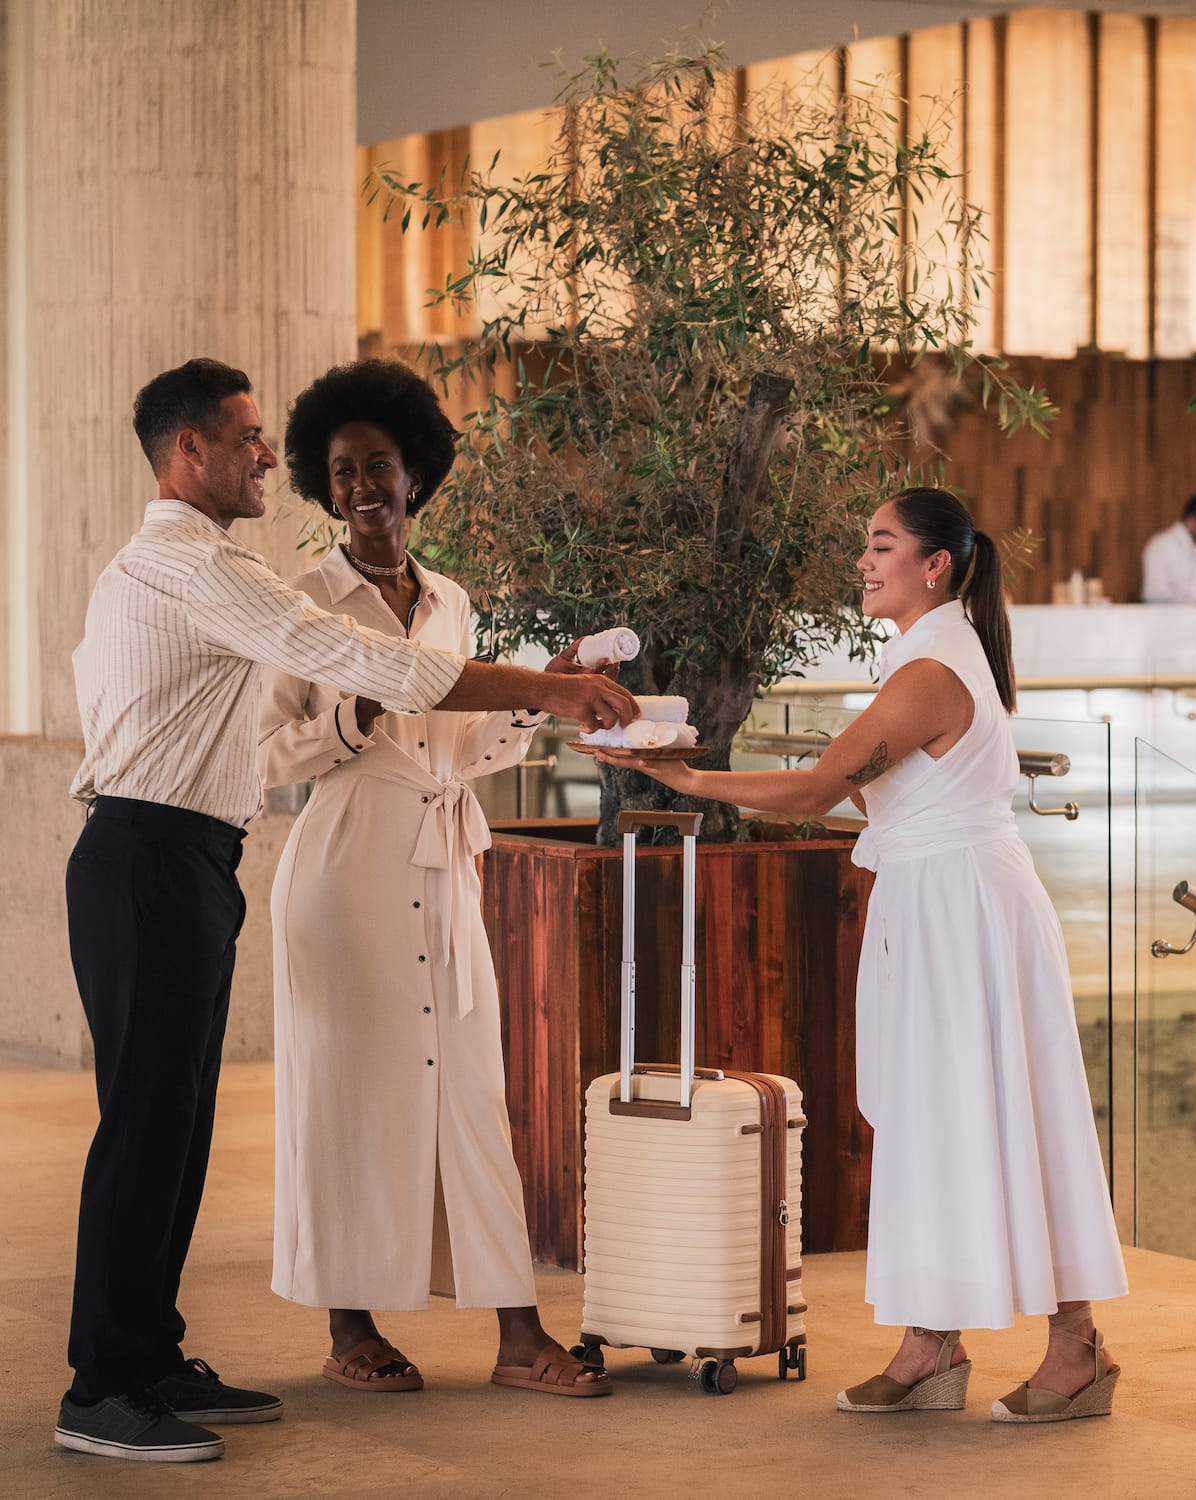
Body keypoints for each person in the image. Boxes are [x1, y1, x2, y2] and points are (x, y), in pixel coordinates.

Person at [59, 359, 637, 1464]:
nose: (265, 455)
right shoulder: (195, 568)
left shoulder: (202, 565)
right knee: (144, 1127)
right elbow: (352, 661)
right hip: (151, 851)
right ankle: (100, 1387)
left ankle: (146, 1352)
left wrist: (524, 693)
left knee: (174, 1130)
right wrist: (542, 687)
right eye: (245, 437)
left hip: (186, 855)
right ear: (189, 453)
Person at [591, 487, 1129, 1424]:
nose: (863, 561)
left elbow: (816, 791)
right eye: (864, 546)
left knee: (1009, 1108)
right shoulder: (931, 653)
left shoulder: (930, 671)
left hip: (962, 907)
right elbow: (851, 790)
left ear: (935, 566)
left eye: (882, 546)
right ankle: (931, 1345)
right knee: (936, 1116)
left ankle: (1075, 1345)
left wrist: (686, 775)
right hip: (942, 900)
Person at [259, 361, 612, 1401]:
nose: (364, 486)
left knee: (468, 1092)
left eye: (380, 466)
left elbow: (468, 746)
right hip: (344, 866)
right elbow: (267, 754)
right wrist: (350, 717)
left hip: (442, 860)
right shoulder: (304, 602)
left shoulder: (450, 601)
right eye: (342, 472)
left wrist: (540, 693)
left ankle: (516, 1335)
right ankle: (348, 1325)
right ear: (326, 492)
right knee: (345, 1093)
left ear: (416, 475)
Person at [1139, 493, 1196, 603]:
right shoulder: (1161, 545)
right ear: (1192, 520)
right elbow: (1155, 594)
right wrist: (1191, 603)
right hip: (1162, 617)